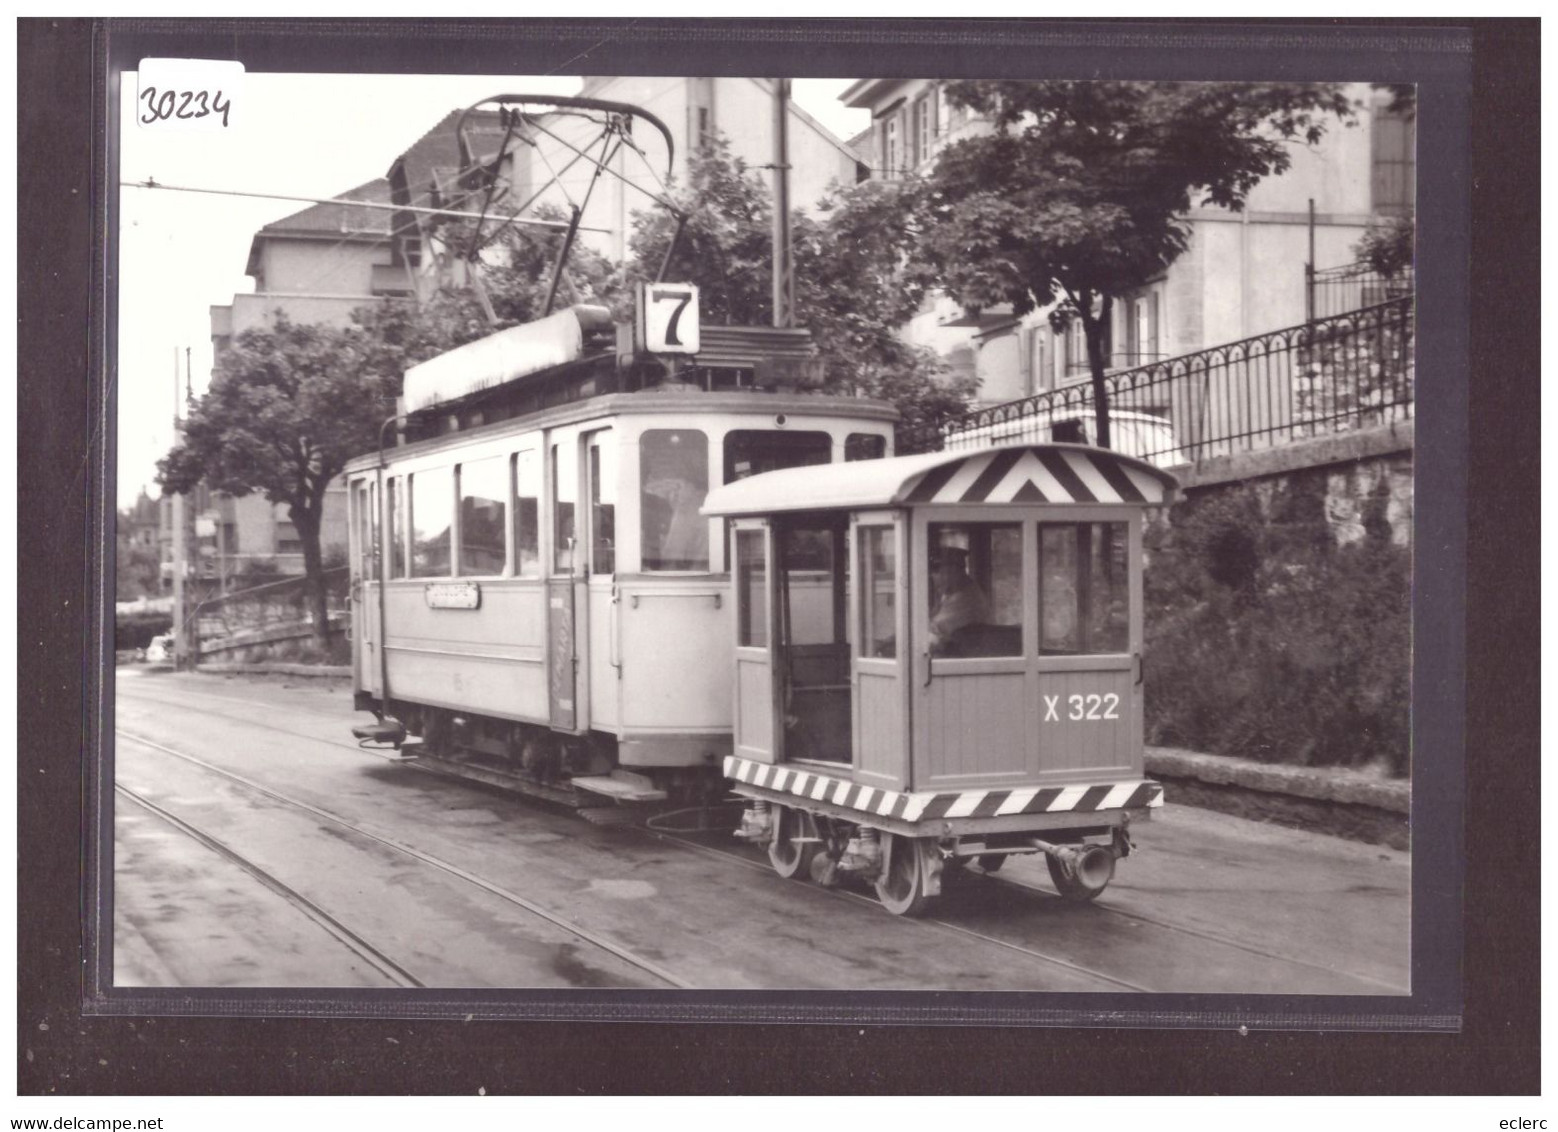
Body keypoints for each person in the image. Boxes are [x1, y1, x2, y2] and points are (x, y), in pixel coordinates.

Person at [928, 546, 991, 655]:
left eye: (938, 571)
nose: (934, 577)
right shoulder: (952, 592)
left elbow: (935, 636)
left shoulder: (966, 598)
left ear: (954, 571)